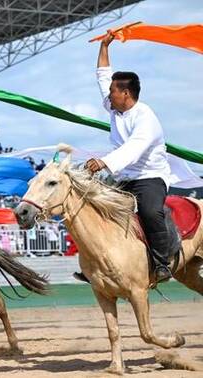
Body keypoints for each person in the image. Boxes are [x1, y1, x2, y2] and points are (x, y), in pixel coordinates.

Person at [80, 30, 172, 284]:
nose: (108, 94)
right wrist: (104, 46)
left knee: (151, 212)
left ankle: (162, 263)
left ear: (126, 94)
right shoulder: (114, 106)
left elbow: (134, 148)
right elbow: (103, 77)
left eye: (113, 91)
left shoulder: (146, 118)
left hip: (149, 177)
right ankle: (96, 265)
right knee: (94, 206)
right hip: (122, 175)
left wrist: (103, 162)